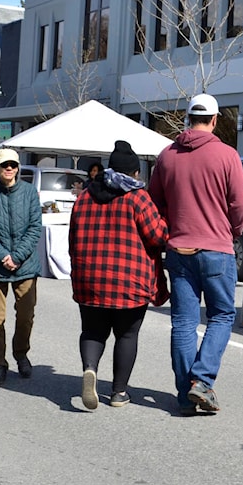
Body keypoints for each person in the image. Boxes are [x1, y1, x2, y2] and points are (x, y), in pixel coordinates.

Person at [148, 93, 243, 416]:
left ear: (187, 118)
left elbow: (155, 203)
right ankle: (201, 381)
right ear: (215, 120)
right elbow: (240, 205)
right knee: (221, 315)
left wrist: (171, 228)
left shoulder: (167, 156)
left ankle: (184, 393)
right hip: (217, 248)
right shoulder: (227, 155)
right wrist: (233, 231)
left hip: (179, 248)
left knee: (183, 322)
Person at [70, 140, 169, 409]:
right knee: (126, 335)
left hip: (89, 278)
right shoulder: (138, 197)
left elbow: (72, 239)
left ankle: (90, 368)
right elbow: (158, 236)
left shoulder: (85, 197)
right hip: (130, 280)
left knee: (92, 331)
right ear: (135, 173)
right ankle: (118, 392)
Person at [0, 148, 43, 385]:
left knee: (25, 316)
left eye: (13, 165)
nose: (9, 169)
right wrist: (3, 255)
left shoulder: (28, 192)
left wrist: (16, 256)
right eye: (4, 165)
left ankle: (21, 353)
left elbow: (35, 227)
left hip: (25, 266)